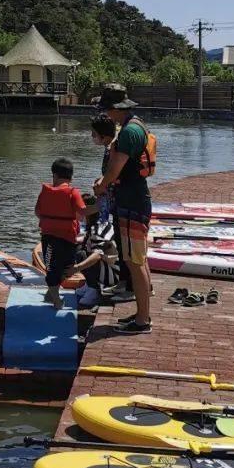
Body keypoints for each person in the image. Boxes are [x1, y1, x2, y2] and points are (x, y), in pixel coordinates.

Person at [94, 99, 155, 334]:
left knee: (134, 261)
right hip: (136, 200)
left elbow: (114, 169)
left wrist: (101, 185)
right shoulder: (137, 125)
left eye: (107, 109)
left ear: (116, 108)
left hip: (132, 203)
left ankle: (142, 321)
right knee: (138, 258)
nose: (106, 114)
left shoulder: (129, 131)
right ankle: (142, 314)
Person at [35, 157, 85, 308]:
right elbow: (81, 213)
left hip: (49, 236)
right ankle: (56, 299)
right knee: (67, 266)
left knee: (51, 268)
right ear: (71, 177)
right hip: (68, 238)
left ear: (54, 175)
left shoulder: (45, 192)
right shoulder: (74, 192)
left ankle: (52, 293)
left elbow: (37, 212)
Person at [89, 115, 122, 280]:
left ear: (104, 135)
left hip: (112, 199)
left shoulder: (112, 149)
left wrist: (101, 186)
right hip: (109, 195)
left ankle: (106, 257)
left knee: (106, 226)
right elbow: (108, 174)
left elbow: (114, 174)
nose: (92, 137)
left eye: (94, 134)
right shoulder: (110, 147)